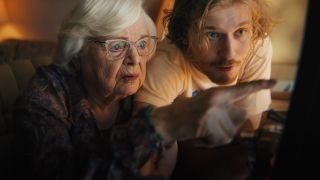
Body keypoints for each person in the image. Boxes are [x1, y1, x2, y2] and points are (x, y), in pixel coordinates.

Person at [11, 0, 276, 179]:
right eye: (116, 46)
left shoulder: (135, 92)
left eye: (142, 45)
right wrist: (159, 124)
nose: (135, 60)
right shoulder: (45, 97)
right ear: (78, 49)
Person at [134, 0, 277, 178]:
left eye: (240, 32)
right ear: (185, 35)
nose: (229, 54)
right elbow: (143, 153)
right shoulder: (166, 63)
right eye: (212, 34)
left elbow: (246, 137)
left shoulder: (256, 45)